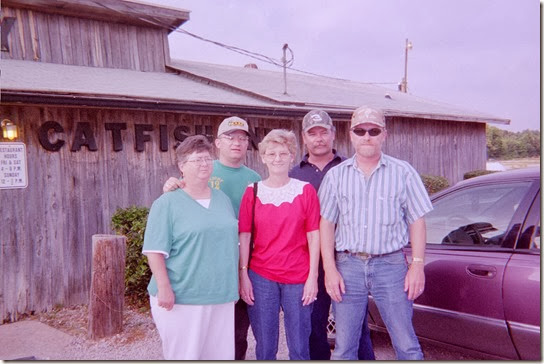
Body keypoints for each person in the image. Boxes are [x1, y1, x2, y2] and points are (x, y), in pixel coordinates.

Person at [318, 106, 433, 360]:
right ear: (351, 135)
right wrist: (330, 269)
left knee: (406, 344)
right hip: (347, 266)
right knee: (344, 347)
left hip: (391, 266)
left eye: (373, 130)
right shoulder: (336, 176)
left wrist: (417, 265)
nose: (367, 136)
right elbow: (326, 224)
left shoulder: (403, 172)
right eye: (360, 130)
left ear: (384, 135)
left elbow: (417, 221)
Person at [162, 116, 261, 360]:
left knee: (237, 332)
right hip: (203, 267)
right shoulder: (203, 167)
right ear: (218, 142)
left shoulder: (255, 179)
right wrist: (171, 185)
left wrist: (244, 269)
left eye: (242, 138)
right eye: (230, 137)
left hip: (241, 262)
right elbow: (179, 199)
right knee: (200, 336)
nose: (236, 143)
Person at [142, 135, 239, 360]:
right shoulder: (166, 203)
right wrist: (164, 288)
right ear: (182, 166)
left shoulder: (222, 199)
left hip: (220, 295)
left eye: (207, 159)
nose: (204, 164)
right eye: (197, 160)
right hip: (182, 297)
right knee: (185, 356)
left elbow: (230, 245)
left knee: (219, 356)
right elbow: (154, 251)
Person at [289, 109, 375, 361]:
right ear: (304, 137)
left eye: (323, 132)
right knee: (314, 328)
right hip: (310, 264)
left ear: (333, 134)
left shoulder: (352, 168)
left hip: (348, 259)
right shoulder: (294, 175)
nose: (318, 138)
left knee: (356, 328)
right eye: (312, 133)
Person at [238, 129, 320, 360]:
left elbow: (314, 235)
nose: (277, 158)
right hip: (261, 276)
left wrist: (313, 277)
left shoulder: (305, 191)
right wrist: (243, 275)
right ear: (263, 157)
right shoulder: (252, 193)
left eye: (283, 153)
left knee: (300, 343)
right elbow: (244, 236)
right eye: (271, 153)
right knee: (264, 344)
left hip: (298, 276)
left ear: (292, 156)